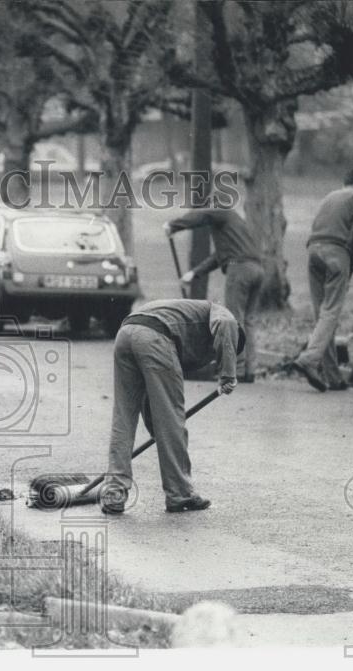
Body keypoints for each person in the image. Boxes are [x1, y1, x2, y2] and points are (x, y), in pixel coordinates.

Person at [101, 299, 243, 515]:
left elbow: (153, 408)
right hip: (155, 337)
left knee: (124, 417)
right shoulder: (224, 314)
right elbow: (226, 324)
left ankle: (113, 492)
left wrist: (159, 432)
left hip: (126, 333)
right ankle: (180, 493)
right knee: (171, 420)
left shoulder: (188, 316)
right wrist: (228, 373)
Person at [292, 170, 353, 392]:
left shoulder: (330, 195)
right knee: (331, 312)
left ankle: (332, 376)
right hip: (336, 253)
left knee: (321, 314)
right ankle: (309, 358)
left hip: (313, 250)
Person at [165, 208, 263, 382]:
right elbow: (220, 257)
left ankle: (236, 371)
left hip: (239, 269)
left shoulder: (221, 212)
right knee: (249, 321)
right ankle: (250, 370)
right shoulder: (236, 226)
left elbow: (203, 215)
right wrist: (194, 273)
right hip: (257, 269)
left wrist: (174, 225)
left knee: (234, 320)